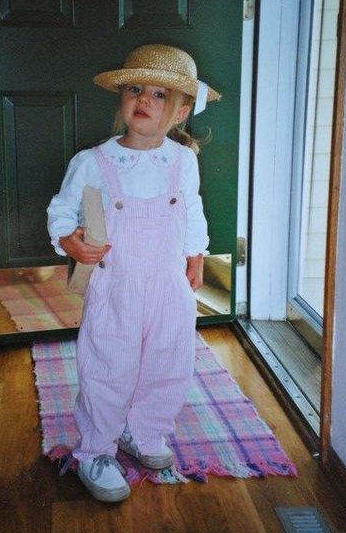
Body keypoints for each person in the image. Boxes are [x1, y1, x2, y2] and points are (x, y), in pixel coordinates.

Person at [47, 43, 221, 502]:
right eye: (135, 89)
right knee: (109, 365)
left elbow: (192, 210)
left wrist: (196, 255)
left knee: (168, 362)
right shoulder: (95, 162)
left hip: (168, 286)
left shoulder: (183, 161)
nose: (144, 100)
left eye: (161, 95)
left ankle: (145, 430)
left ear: (182, 112)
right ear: (122, 98)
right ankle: (96, 450)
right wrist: (71, 242)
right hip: (116, 286)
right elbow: (63, 210)